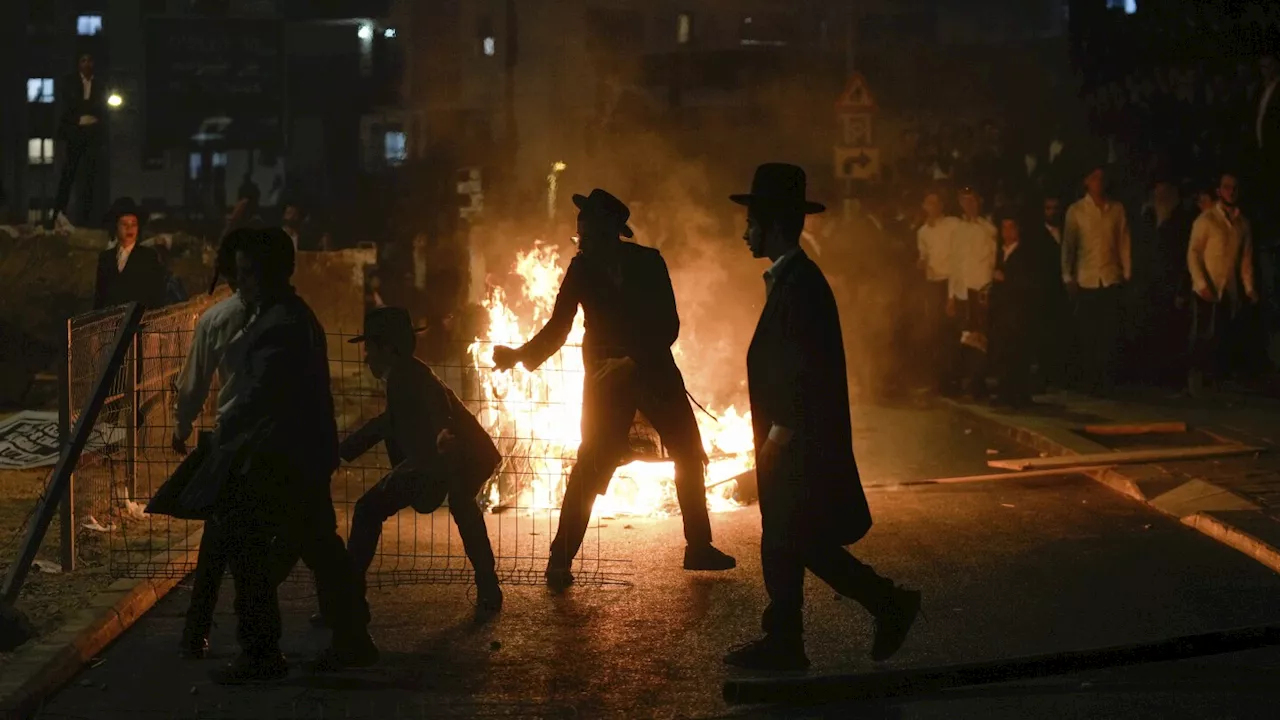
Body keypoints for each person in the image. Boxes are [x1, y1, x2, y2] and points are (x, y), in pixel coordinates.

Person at [724, 163, 920, 672]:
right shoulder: (789, 279)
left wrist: (779, 435)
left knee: (796, 536)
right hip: (791, 438)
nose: (745, 231)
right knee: (785, 535)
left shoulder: (802, 284)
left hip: (798, 441)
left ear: (774, 224)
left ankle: (883, 604)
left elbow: (804, 367)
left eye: (752, 221)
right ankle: (790, 637)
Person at [492, 188, 735, 589]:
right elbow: (558, 326)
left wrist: (633, 361)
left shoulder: (649, 263)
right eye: (579, 238)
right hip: (607, 383)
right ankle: (559, 559)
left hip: (654, 373)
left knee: (689, 454)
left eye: (587, 237)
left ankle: (699, 547)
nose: (581, 245)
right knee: (591, 465)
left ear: (612, 234)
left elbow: (668, 324)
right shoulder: (581, 270)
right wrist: (519, 355)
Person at [210, 228, 375, 682]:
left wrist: (226, 431)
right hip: (295, 452)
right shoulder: (284, 316)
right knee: (318, 548)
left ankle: (263, 652)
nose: (238, 283)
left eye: (246, 273)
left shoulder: (281, 323)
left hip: (282, 455)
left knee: (253, 548)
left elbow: (261, 394)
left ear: (269, 274)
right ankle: (350, 639)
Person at [337, 306, 504, 619]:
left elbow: (435, 416)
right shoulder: (406, 374)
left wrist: (440, 440)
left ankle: (346, 601)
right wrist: (344, 450)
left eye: (369, 348)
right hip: (451, 456)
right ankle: (488, 586)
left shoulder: (408, 378)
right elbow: (388, 422)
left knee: (371, 509)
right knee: (460, 505)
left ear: (388, 348)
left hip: (456, 457)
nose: (366, 356)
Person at [171, 228, 253, 659]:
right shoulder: (291, 316)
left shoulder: (217, 319)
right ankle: (345, 623)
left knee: (220, 537)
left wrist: (181, 428)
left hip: (236, 438)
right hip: (279, 439)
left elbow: (193, 385)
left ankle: (199, 631)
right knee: (303, 534)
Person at [1062, 164, 1131, 395]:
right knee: (1089, 332)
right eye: (1094, 178)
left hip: (1111, 276)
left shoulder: (1116, 209)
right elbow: (1069, 245)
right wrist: (1067, 275)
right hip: (1087, 277)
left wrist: (1127, 272)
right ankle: (1090, 378)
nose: (1098, 183)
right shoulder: (1077, 211)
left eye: (1102, 178)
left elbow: (1123, 241)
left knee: (1108, 331)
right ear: (1086, 182)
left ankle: (1106, 378)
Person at [1187, 172, 1257, 395]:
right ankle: (1197, 381)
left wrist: (1249, 287)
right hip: (1208, 286)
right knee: (1203, 334)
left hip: (1229, 288)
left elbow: (1246, 259)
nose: (1231, 191)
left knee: (1223, 335)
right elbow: (1194, 253)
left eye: (1234, 187)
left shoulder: (1242, 224)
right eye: (1226, 187)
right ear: (1219, 191)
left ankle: (1216, 381)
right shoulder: (1206, 220)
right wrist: (1201, 282)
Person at [947, 186, 998, 400]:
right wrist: (950, 295)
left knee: (980, 339)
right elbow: (954, 263)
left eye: (973, 201)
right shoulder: (957, 229)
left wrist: (988, 290)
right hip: (961, 291)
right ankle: (965, 381)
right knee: (963, 338)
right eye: (965, 201)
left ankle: (978, 384)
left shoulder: (988, 229)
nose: (969, 205)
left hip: (980, 290)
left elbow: (993, 261)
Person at [989, 214, 1043, 407]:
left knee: (1018, 351)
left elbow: (1029, 282)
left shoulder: (1025, 254)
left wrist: (1006, 279)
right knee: (1003, 350)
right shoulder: (999, 252)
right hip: (1002, 309)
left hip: (1019, 310)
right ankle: (1005, 391)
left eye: (1011, 227)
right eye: (1004, 228)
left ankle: (1018, 393)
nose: (1007, 232)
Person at [50, 53, 107, 231]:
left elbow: (102, 108)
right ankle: (58, 214)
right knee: (69, 174)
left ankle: (88, 218)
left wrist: (90, 117)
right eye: (83, 61)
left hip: (92, 136)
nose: (87, 64)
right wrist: (80, 119)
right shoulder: (69, 83)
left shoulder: (100, 84)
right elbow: (68, 107)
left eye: (90, 60)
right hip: (74, 134)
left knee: (90, 176)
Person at [916, 188, 961, 394]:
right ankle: (938, 379)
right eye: (928, 203)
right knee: (934, 333)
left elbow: (957, 257)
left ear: (942, 205)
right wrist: (922, 262)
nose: (931, 207)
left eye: (935, 203)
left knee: (952, 333)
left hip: (951, 282)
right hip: (933, 284)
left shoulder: (953, 225)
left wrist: (952, 295)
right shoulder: (922, 231)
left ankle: (953, 379)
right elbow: (924, 255)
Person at [93, 198, 167, 311]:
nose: (129, 228)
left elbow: (156, 296)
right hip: (112, 322)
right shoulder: (106, 258)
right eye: (124, 224)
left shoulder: (148, 257)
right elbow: (100, 298)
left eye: (134, 224)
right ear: (115, 227)